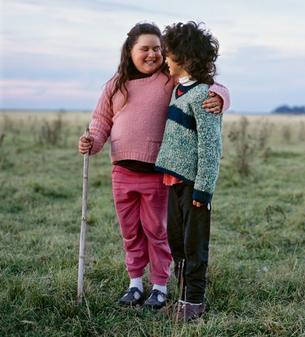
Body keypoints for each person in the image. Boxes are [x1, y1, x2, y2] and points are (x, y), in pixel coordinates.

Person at [78, 22, 229, 310]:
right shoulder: (116, 84)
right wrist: (91, 142)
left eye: (158, 49)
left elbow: (204, 83)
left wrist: (221, 96)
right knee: (130, 231)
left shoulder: (168, 78)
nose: (153, 54)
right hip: (122, 172)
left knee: (157, 231)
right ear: (130, 51)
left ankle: (159, 285)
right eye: (144, 49)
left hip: (157, 173)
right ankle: (135, 282)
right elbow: (101, 123)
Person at [154, 21, 223, 321]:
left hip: (194, 186)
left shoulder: (205, 97)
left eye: (169, 54)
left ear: (187, 58)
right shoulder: (178, 89)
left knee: (195, 246)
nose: (165, 59)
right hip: (173, 181)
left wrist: (204, 189)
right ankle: (181, 299)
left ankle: (194, 303)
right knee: (176, 242)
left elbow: (210, 147)